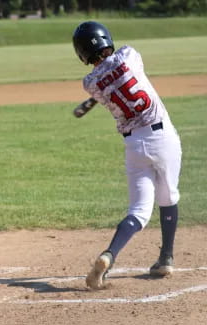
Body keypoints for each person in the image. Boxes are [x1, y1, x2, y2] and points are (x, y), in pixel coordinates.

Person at [72, 21, 182, 289]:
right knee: (168, 197)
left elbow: (106, 83)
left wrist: (93, 98)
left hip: (134, 146)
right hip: (162, 137)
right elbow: (123, 74)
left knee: (138, 211)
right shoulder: (129, 54)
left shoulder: (90, 83)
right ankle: (166, 257)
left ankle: (108, 255)